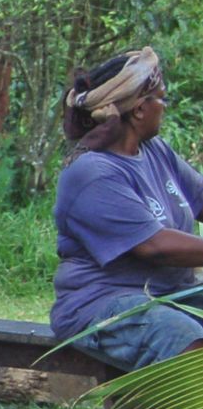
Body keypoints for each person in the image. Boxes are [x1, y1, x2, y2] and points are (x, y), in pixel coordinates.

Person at [49, 48, 203, 368]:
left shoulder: (155, 151)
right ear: (138, 110)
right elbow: (155, 246)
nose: (165, 107)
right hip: (103, 304)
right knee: (185, 337)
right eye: (161, 99)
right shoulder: (91, 173)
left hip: (172, 293)